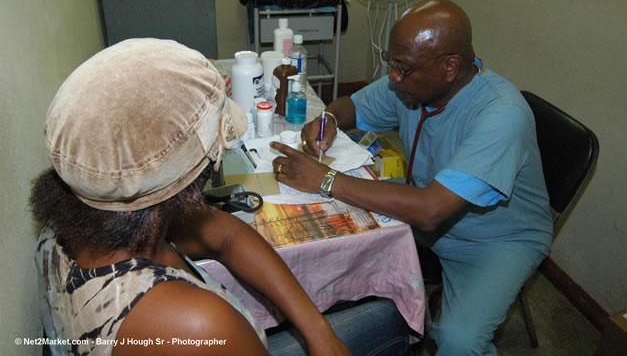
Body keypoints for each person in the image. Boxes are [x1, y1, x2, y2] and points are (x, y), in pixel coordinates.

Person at [31, 38, 410, 356]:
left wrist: (317, 329)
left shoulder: (85, 212)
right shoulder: (197, 322)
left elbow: (225, 234)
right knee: (385, 318)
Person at [270, 0, 554, 356]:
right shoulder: (415, 85)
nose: (393, 77)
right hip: (425, 203)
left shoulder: (501, 115)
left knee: (458, 340)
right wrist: (327, 120)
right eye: (392, 62)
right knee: (324, 235)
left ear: (450, 65)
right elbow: (351, 106)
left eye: (403, 69)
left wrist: (325, 179)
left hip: (495, 239)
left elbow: (431, 210)